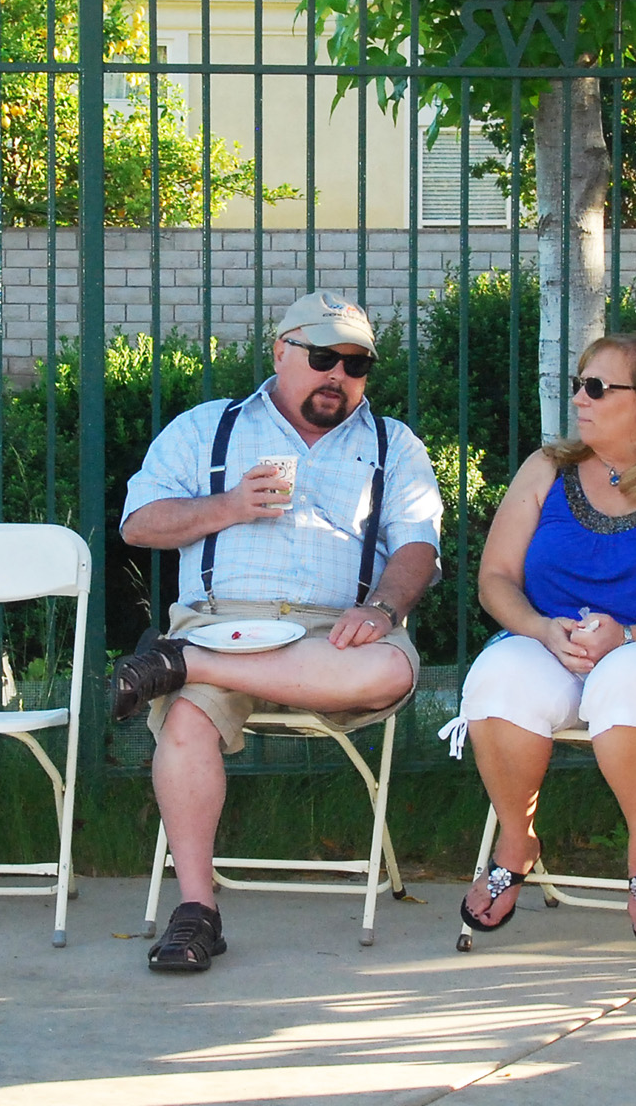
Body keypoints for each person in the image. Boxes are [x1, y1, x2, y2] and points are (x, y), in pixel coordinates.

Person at [112, 290, 444, 972]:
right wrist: (229, 505)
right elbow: (138, 523)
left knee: (391, 667)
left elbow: (419, 551)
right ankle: (197, 912)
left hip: (333, 635)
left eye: (356, 365)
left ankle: (179, 666)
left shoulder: (394, 444)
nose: (338, 376)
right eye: (323, 357)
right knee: (186, 725)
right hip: (221, 622)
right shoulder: (209, 428)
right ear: (280, 353)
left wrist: (381, 610)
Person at [443, 333, 636, 942]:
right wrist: (539, 628)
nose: (579, 399)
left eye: (596, 387)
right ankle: (516, 838)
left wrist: (633, 636)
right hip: (557, 645)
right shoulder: (548, 468)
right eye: (577, 384)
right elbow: (496, 578)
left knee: (627, 675)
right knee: (499, 674)